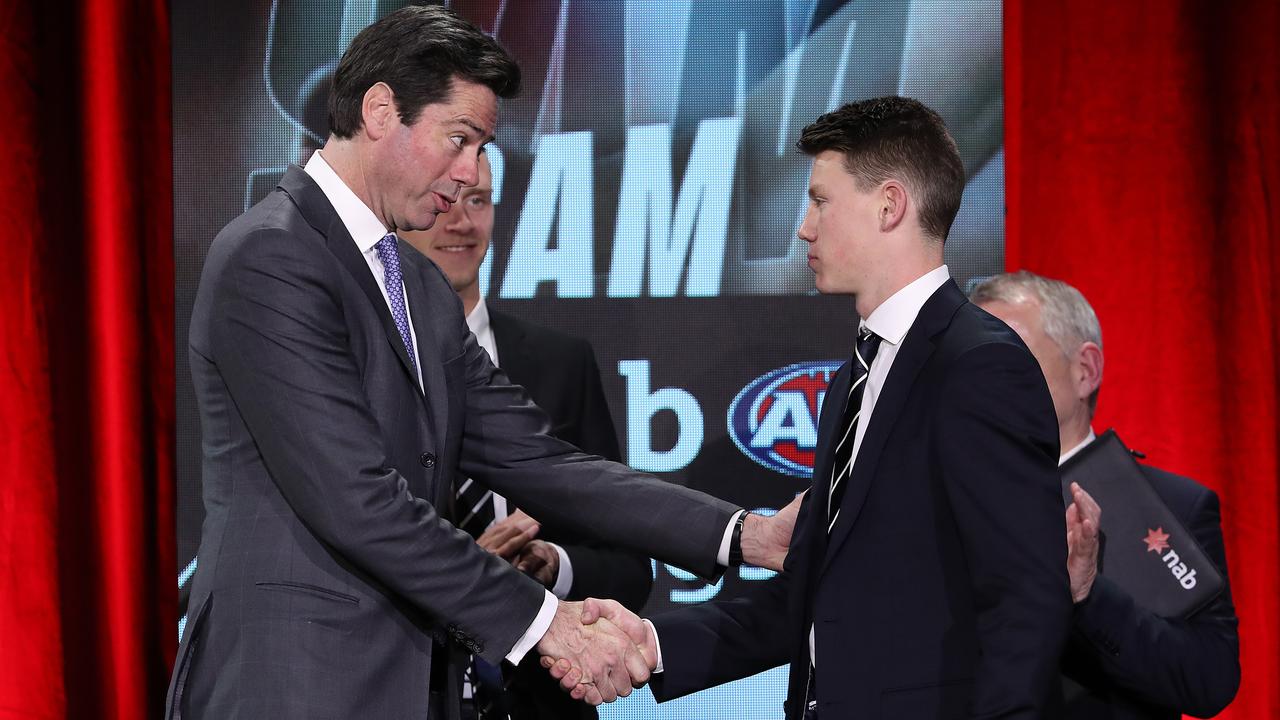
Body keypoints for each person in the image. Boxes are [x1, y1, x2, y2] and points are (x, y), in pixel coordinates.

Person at [167, 6, 795, 718]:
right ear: (380, 111)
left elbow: (543, 463)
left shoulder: (417, 285)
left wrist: (747, 533)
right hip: (292, 684)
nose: (472, 170)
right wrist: (546, 622)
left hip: (406, 686)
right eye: (459, 139)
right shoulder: (271, 256)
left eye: (483, 147)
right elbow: (357, 502)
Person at [559, 96, 1073, 718]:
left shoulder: (978, 364)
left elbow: (1026, 602)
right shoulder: (859, 374)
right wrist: (655, 643)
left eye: (821, 201)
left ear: (889, 206)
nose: (804, 226)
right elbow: (809, 600)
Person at [401, 152, 652, 720]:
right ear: (400, 216)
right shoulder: (363, 366)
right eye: (444, 201)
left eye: (478, 202)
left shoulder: (562, 363)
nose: (460, 222)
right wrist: (467, 570)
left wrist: (553, 564)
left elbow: (631, 569)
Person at [971, 271, 1241, 719]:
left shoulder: (1174, 505)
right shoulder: (942, 498)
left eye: (1011, 358)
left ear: (1085, 371)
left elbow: (1209, 679)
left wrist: (1088, 595)